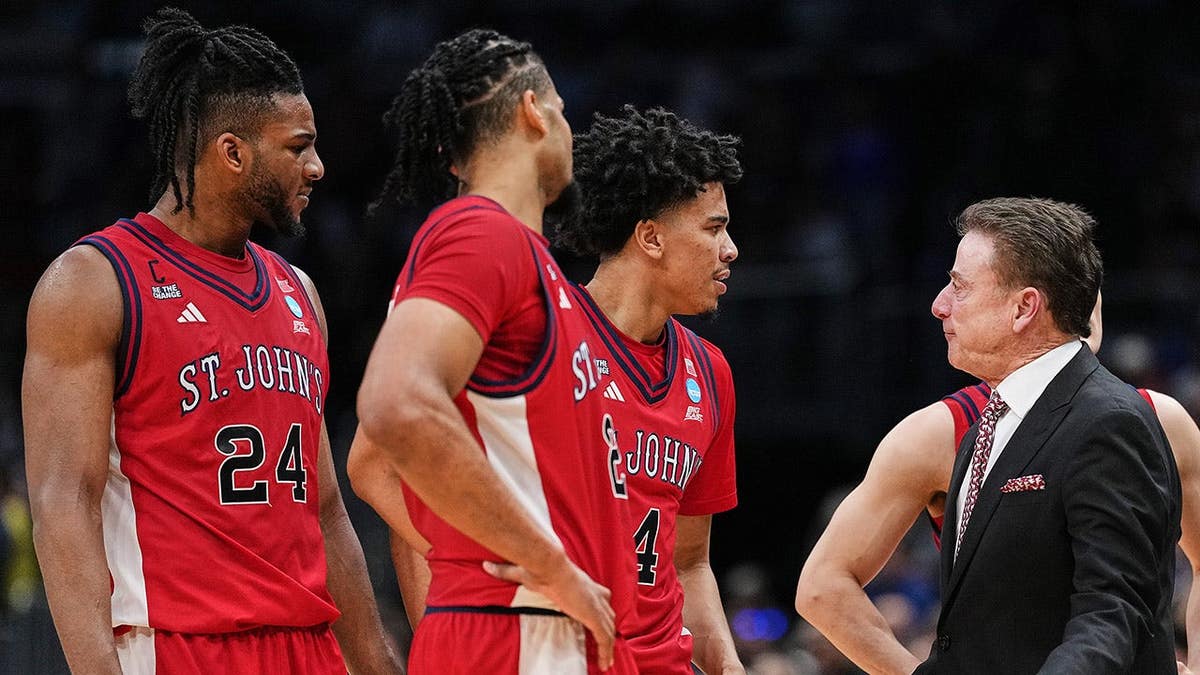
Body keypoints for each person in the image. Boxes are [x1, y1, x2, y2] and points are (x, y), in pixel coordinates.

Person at [21, 9, 400, 674]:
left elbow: (326, 505)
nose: (316, 167)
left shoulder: (300, 293)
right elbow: (62, 499)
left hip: (306, 644)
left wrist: (374, 658)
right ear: (232, 152)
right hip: (179, 643)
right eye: (298, 145)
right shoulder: (93, 283)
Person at [346, 29, 637, 674]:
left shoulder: (530, 261)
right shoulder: (480, 233)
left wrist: (476, 544)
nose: (567, 127)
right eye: (562, 108)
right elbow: (394, 407)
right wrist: (537, 562)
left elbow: (369, 458)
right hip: (521, 630)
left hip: (543, 626)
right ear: (534, 109)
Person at [827, 197, 1177, 672]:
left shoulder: (1111, 420)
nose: (938, 305)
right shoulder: (984, 430)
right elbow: (976, 636)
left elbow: (1113, 611)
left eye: (959, 286)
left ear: (1024, 308)